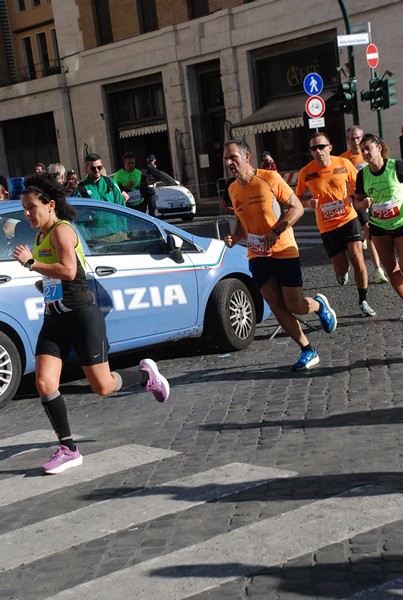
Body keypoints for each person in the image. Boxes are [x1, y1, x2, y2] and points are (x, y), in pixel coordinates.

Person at [12, 174, 169, 475]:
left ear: (50, 205)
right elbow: (57, 275)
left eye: (31, 207)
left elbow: (69, 271)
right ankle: (69, 449)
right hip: (55, 319)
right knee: (44, 383)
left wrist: (31, 264)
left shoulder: (62, 231)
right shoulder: (39, 237)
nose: (27, 213)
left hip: (82, 315)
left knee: (103, 386)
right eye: (24, 208)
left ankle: (144, 375)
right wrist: (43, 283)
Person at [223, 138, 337, 371]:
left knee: (294, 304)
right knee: (276, 304)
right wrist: (235, 236)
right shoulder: (232, 189)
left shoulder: (270, 178)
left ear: (246, 157)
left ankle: (318, 305)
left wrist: (276, 231)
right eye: (226, 158)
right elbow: (240, 221)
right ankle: (308, 350)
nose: (228, 162)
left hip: (283, 248)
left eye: (232, 157)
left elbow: (296, 207)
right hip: (257, 254)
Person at [296, 132, 376, 317]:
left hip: (348, 218)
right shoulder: (306, 172)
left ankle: (363, 300)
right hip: (327, 226)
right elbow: (296, 198)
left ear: (329, 148)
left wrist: (360, 198)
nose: (318, 151)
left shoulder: (343, 164)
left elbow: (360, 186)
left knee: (357, 257)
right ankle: (341, 273)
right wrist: (308, 203)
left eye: (321, 147)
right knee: (341, 267)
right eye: (313, 148)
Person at [354, 133, 403, 320]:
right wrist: (363, 205)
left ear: (379, 148)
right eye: (362, 149)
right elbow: (356, 203)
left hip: (401, 223)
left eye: (369, 148)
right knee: (391, 270)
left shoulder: (396, 166)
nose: (365, 152)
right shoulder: (362, 175)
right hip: (379, 227)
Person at [340, 126, 388, 284]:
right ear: (347, 141)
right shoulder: (343, 160)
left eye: (358, 137)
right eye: (352, 139)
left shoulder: (370, 154)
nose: (355, 141)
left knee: (375, 231)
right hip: (357, 199)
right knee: (369, 229)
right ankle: (378, 269)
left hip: (377, 196)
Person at [73, 153, 127, 239]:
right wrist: (86, 238)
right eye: (93, 168)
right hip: (96, 237)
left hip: (117, 234)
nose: (97, 170)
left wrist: (125, 230)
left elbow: (121, 207)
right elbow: (78, 218)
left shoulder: (111, 183)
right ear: (86, 169)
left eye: (99, 167)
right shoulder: (81, 189)